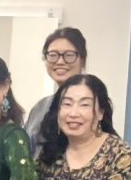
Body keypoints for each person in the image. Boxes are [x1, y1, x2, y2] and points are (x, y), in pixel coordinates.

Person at [25, 27, 87, 158]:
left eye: (69, 55)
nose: (60, 62)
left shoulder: (92, 103)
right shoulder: (40, 107)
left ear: (82, 60)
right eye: (53, 55)